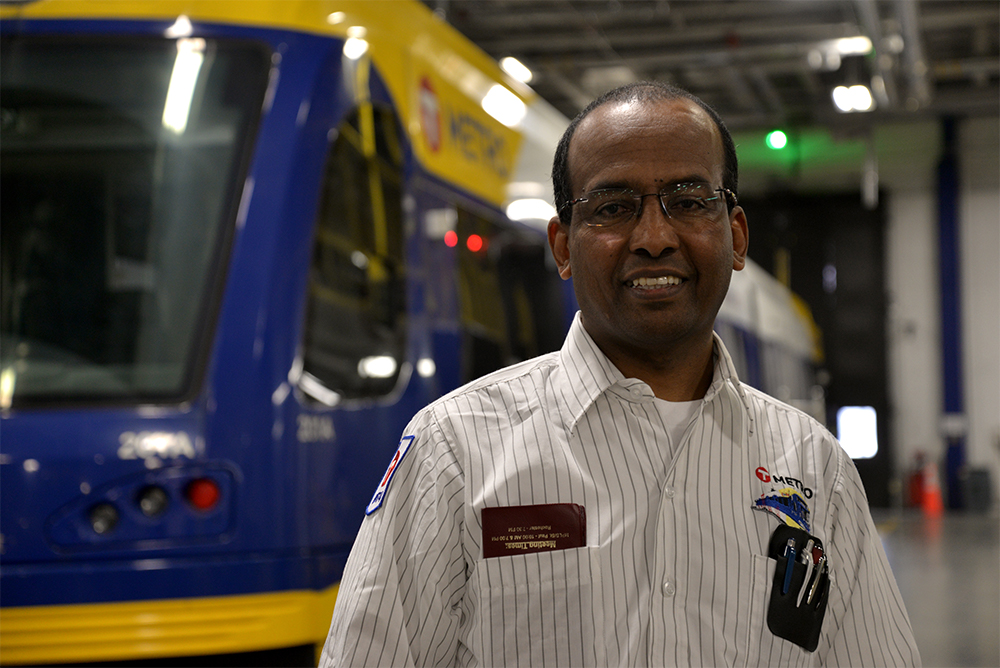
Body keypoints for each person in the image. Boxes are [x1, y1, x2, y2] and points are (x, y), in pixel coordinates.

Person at [320, 82, 921, 667]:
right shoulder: (452, 454)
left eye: (689, 202)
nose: (654, 238)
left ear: (736, 236)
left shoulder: (817, 469)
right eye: (612, 208)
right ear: (563, 247)